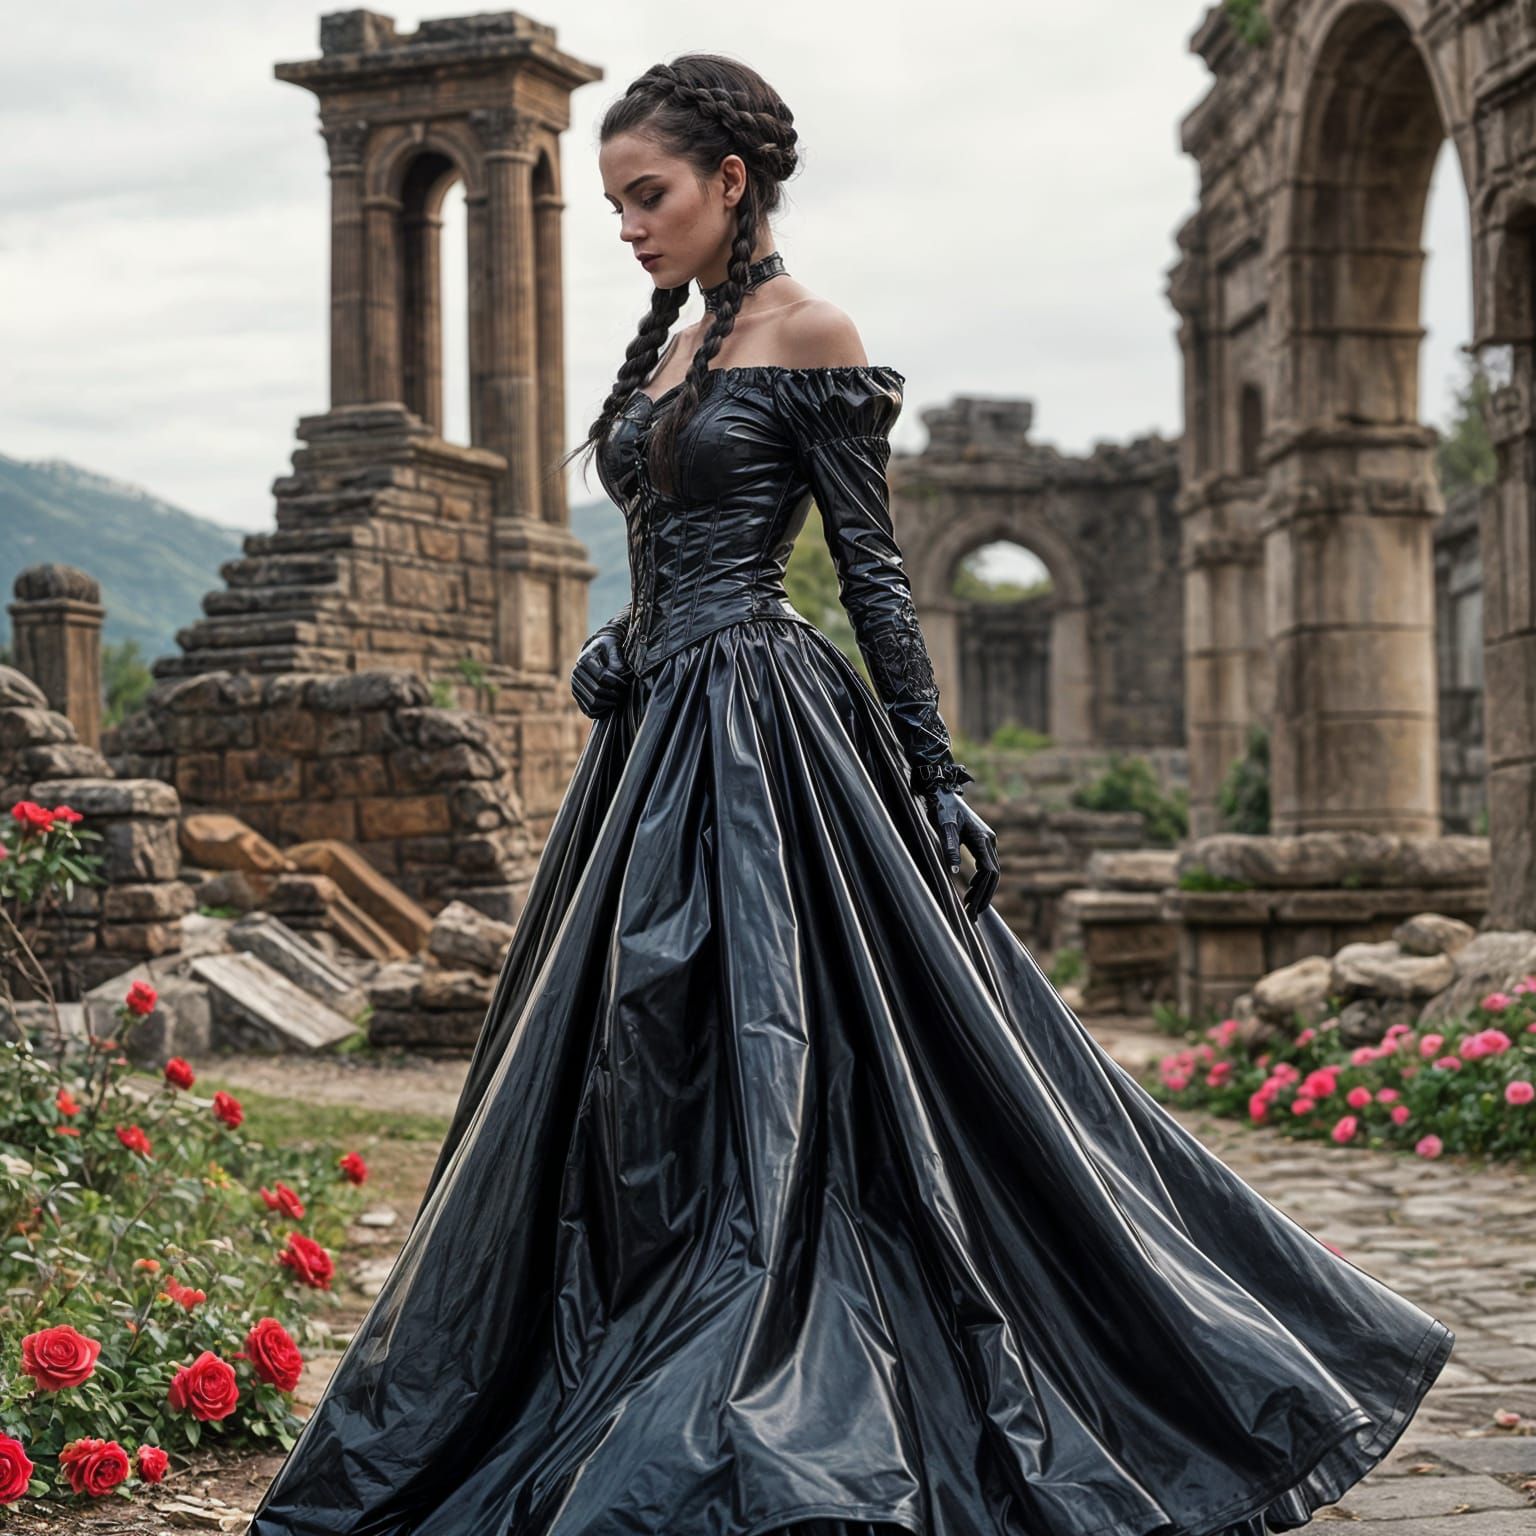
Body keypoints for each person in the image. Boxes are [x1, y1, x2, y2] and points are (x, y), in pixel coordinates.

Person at [244, 54, 1454, 1536]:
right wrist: (622, 644)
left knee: (798, 1049)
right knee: (633, 1046)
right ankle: (629, 1334)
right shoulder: (676, 349)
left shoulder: (811, 332)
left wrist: (937, 776)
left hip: (767, 733)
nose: (627, 224)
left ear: (730, 182)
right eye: (616, 199)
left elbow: (876, 577)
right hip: (656, 740)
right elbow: (666, 542)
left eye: (650, 195)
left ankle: (785, 1350)